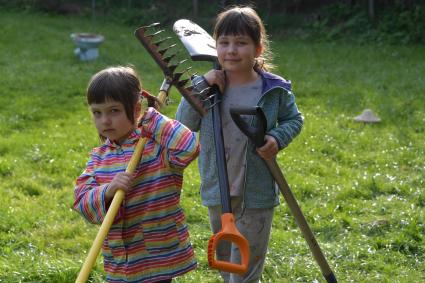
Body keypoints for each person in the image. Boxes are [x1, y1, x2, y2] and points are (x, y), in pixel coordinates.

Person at [176, 6, 303, 283]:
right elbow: (184, 124)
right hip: (217, 188)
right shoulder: (207, 87)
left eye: (241, 43)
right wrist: (199, 86)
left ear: (258, 49)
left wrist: (277, 138)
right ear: (215, 46)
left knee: (247, 265)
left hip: (255, 191)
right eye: (225, 42)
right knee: (226, 261)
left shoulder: (274, 89)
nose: (231, 50)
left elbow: (294, 120)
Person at [74, 66, 199, 283]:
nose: (105, 120)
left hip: (157, 256)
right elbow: (82, 202)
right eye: (97, 112)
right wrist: (108, 190)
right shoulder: (98, 158)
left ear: (136, 109)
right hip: (120, 261)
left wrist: (153, 118)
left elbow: (189, 147)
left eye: (114, 111)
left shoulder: (155, 146)